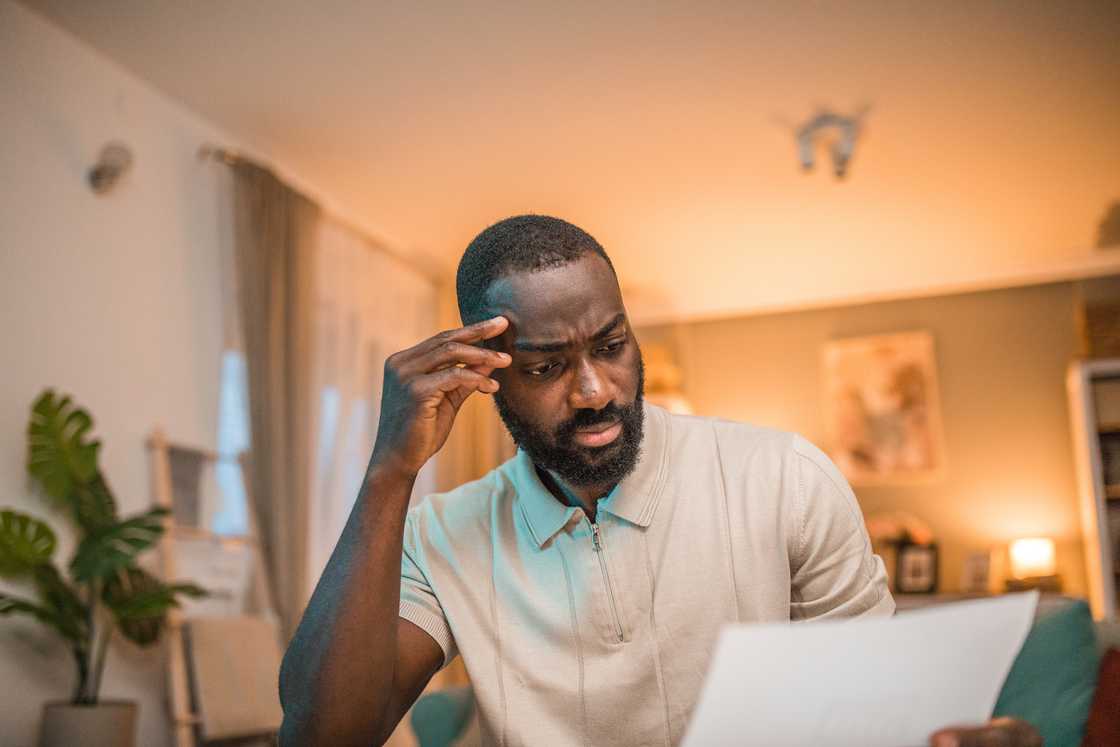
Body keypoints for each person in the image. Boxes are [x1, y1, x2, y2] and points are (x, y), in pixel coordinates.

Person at [278, 215, 1041, 746]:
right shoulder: (442, 535)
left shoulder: (784, 478)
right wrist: (389, 471)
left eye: (612, 345)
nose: (596, 390)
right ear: (487, 378)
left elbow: (880, 716)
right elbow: (322, 736)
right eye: (547, 367)